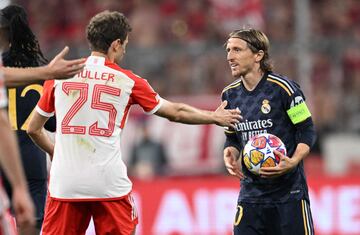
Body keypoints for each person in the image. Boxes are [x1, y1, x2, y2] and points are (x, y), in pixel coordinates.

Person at [27, 10, 241, 235]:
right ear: (116, 44)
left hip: (65, 184)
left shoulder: (60, 76)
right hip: (108, 185)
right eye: (125, 44)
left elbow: (33, 127)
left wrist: (55, 151)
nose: (125, 50)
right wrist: (213, 117)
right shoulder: (128, 81)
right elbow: (175, 112)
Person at [221, 28, 316, 235]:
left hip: (289, 195)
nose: (230, 56)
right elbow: (232, 138)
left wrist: (293, 161)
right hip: (250, 197)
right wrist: (230, 152)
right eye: (228, 50)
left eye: (237, 50)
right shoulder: (229, 95)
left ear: (258, 55)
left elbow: (307, 130)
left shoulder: (284, 89)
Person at [0, 4, 58, 234]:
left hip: (5, 152)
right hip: (32, 152)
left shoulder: (3, 67)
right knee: (31, 222)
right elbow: (51, 122)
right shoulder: (41, 68)